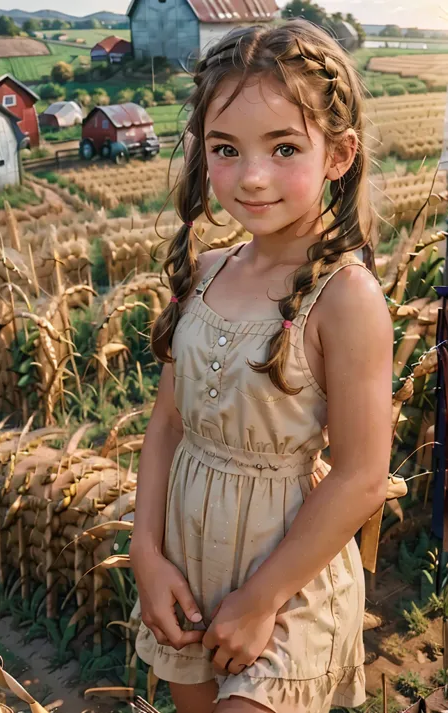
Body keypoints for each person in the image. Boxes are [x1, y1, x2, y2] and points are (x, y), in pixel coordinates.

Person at [129, 18, 393, 713]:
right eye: (226, 148)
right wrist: (145, 556)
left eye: (283, 147)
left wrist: (261, 597)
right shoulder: (208, 272)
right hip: (188, 560)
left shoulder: (345, 296)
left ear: (337, 154)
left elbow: (364, 475)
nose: (250, 176)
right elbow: (165, 427)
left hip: (287, 575)